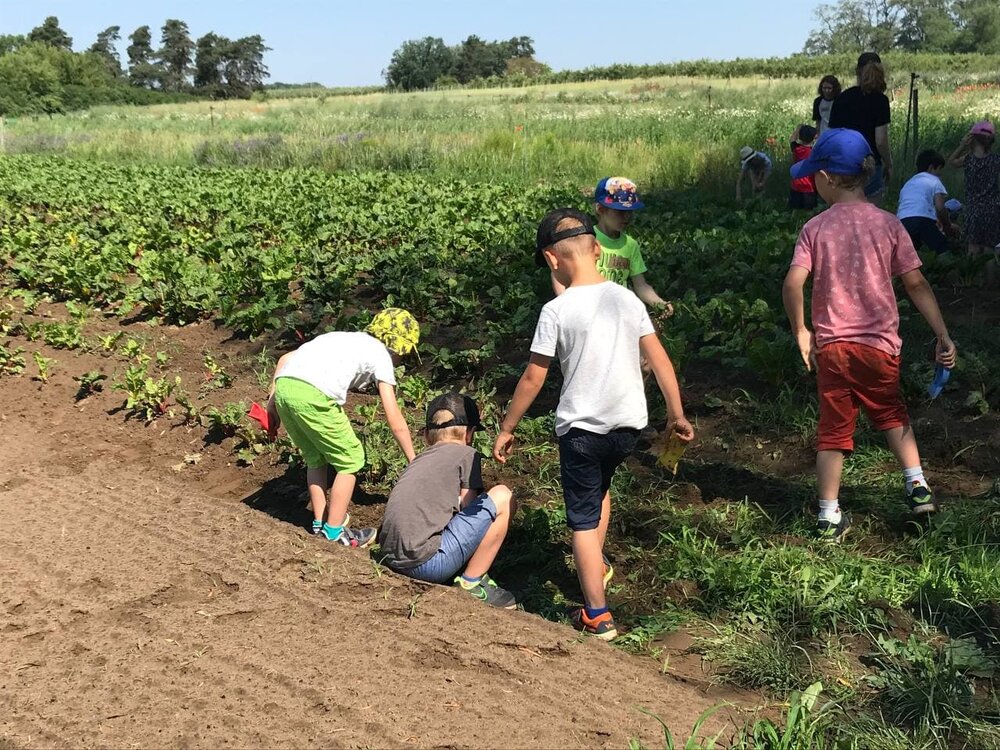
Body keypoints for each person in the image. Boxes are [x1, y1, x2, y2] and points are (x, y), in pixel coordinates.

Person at [496, 208, 694, 640]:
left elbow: (534, 376)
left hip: (581, 432)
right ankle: (596, 565)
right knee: (600, 491)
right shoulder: (628, 300)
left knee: (581, 521)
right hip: (627, 429)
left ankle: (597, 615)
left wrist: (508, 427)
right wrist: (676, 414)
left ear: (552, 259)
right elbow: (659, 359)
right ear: (596, 248)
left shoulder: (556, 310)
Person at [781, 129, 957, 543]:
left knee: (834, 431)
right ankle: (918, 488)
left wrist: (802, 331)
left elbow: (792, 285)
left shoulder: (815, 228)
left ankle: (828, 515)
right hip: (879, 347)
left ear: (824, 178)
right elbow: (915, 284)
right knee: (892, 414)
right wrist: (943, 334)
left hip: (834, 348)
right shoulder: (889, 224)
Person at [266, 308, 420, 546]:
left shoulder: (341, 338)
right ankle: (334, 532)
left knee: (316, 458)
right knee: (351, 458)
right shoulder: (381, 355)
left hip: (285, 388)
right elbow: (394, 417)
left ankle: (319, 523)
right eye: (404, 354)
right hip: (313, 396)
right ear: (398, 348)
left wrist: (272, 403)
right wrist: (413, 460)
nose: (401, 360)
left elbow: (284, 359)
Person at [377, 392, 518, 608]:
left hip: (390, 556)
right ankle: (473, 582)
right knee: (502, 496)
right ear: (469, 434)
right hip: (426, 565)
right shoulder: (467, 455)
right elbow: (467, 508)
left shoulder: (419, 460)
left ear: (426, 436)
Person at [547, 177, 672, 315]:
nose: (626, 217)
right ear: (600, 209)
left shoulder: (630, 245)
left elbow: (640, 285)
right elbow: (558, 270)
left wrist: (660, 303)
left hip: (618, 313)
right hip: (586, 310)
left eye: (630, 212)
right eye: (620, 212)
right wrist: (565, 302)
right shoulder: (585, 237)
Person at [828, 52, 892, 201]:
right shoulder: (881, 101)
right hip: (870, 164)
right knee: (871, 215)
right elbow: (881, 141)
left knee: (844, 211)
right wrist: (889, 164)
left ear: (857, 72)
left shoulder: (841, 99)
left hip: (843, 164)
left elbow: (833, 136)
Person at [948, 120, 1000, 256]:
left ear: (972, 139)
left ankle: (971, 276)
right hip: (993, 210)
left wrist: (961, 145)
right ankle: (990, 278)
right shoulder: (996, 160)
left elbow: (951, 161)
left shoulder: (968, 159)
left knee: (973, 248)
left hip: (973, 209)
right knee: (989, 251)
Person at [896, 149, 956, 254]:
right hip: (922, 221)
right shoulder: (934, 180)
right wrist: (948, 226)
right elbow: (940, 208)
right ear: (931, 167)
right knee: (943, 250)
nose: (940, 174)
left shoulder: (908, 183)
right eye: (939, 169)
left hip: (902, 222)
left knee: (912, 255)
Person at [789, 124, 819, 210]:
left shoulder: (796, 149)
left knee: (794, 211)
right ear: (814, 138)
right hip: (809, 187)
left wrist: (797, 129)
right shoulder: (814, 153)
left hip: (796, 186)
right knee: (809, 213)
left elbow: (792, 139)